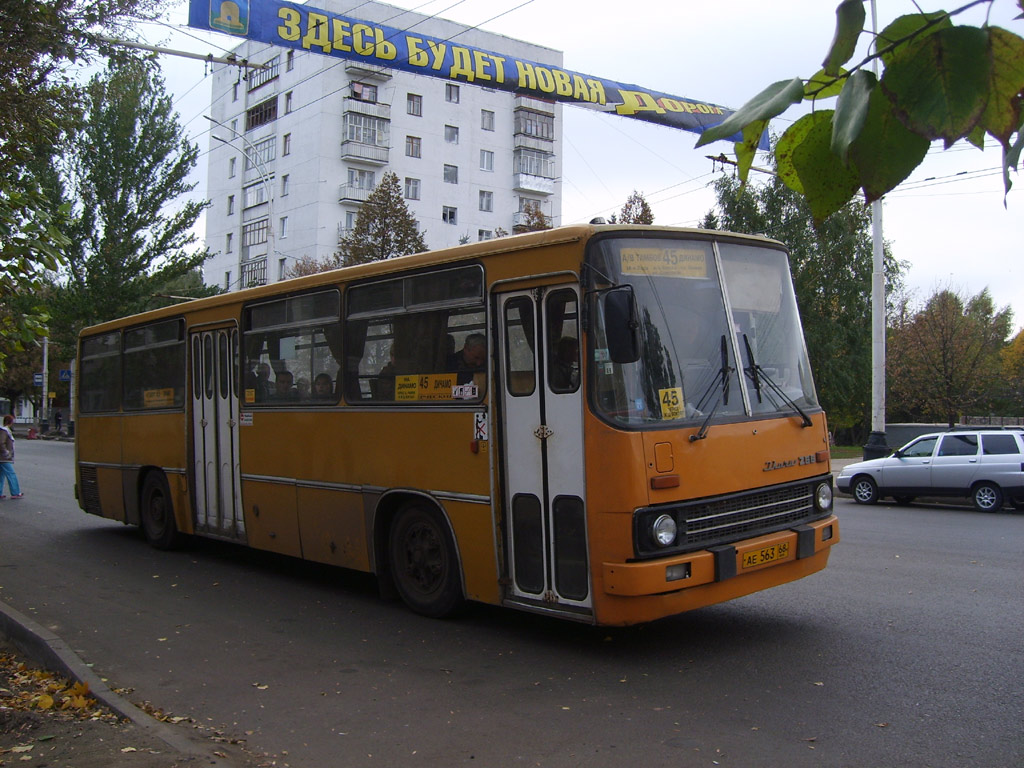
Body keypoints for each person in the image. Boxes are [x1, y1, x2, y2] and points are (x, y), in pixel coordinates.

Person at [0, 415, 23, 499]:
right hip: (4, 458)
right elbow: (1, 443)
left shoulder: (4, 430)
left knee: (1, 475)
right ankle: (15, 492)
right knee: (11, 474)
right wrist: (6, 452)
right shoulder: (4, 431)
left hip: (2, 458)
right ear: (10, 422)